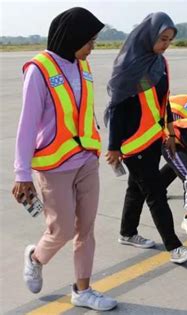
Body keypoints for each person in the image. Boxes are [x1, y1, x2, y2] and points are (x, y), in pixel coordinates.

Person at [12, 8, 117, 311]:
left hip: (86, 159)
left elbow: (84, 110)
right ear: (72, 37)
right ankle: (35, 258)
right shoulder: (39, 70)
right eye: (90, 41)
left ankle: (82, 291)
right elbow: (27, 125)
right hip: (54, 164)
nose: (92, 47)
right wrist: (22, 174)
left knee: (86, 229)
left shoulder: (83, 65)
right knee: (62, 230)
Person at [104, 12, 187, 263]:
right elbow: (116, 108)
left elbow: (164, 100)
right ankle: (175, 247)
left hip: (154, 138)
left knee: (136, 188)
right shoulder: (128, 66)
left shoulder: (159, 63)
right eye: (162, 39)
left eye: (169, 40)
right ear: (148, 36)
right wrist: (113, 147)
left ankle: (127, 232)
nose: (165, 45)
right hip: (133, 143)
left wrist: (169, 131)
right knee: (156, 193)